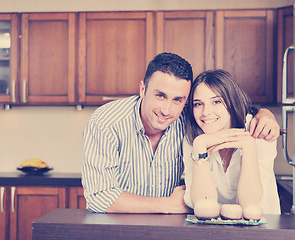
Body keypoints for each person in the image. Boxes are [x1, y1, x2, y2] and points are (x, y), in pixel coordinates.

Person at [82, 52, 280, 214]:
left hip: (172, 228)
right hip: (118, 226)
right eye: (160, 96)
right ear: (143, 89)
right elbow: (99, 197)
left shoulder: (192, 117)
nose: (167, 110)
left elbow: (228, 111)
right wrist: (166, 205)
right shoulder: (107, 122)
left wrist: (265, 114)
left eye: (178, 100)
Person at [183, 69, 280, 214]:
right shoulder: (194, 137)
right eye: (198, 104)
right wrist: (200, 145)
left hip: (264, 229)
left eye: (216, 101)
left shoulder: (260, 129)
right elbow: (203, 204)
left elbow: (251, 206)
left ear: (232, 101)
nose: (205, 112)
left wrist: (248, 146)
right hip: (212, 230)